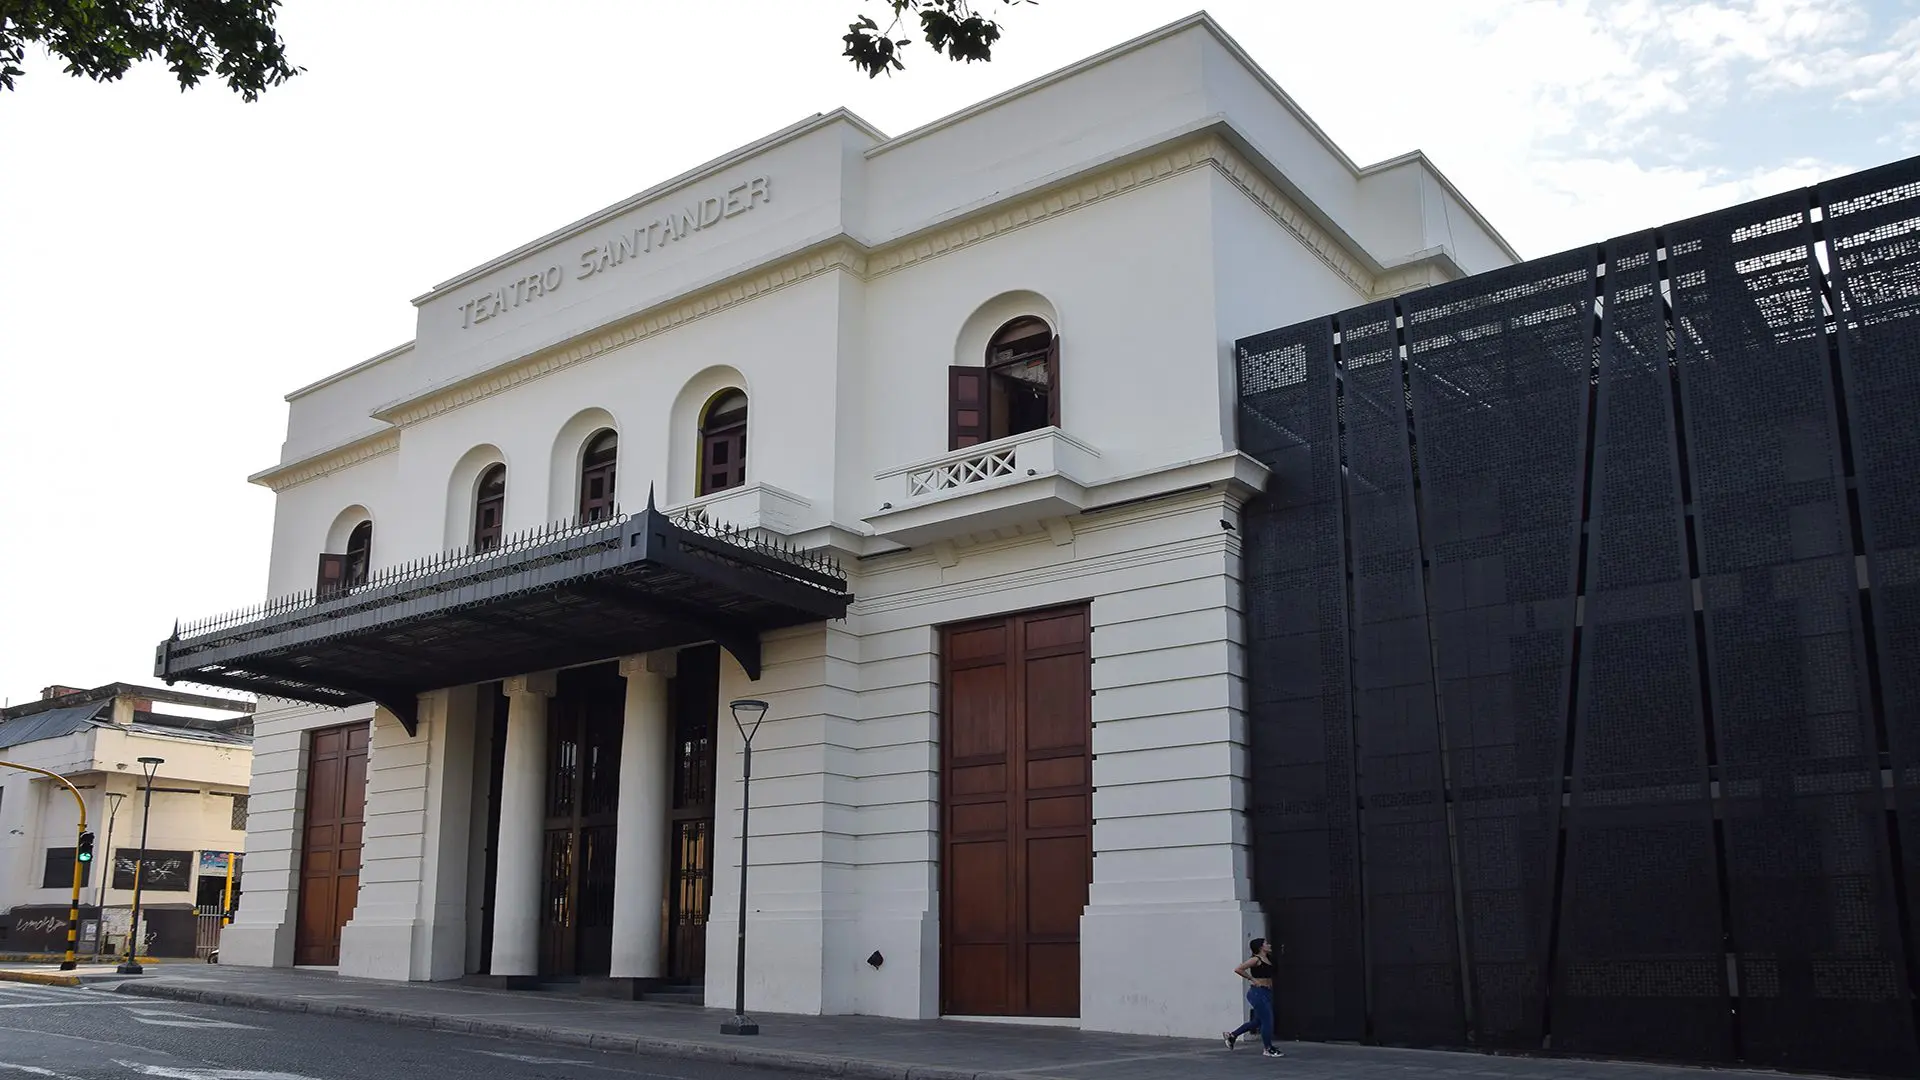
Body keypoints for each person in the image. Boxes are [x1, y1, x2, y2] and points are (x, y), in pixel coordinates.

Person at [1223, 937, 1283, 1057]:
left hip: (1266, 992)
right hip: (1257, 993)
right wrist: (1252, 979)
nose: (1269, 945)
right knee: (1267, 1021)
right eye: (1266, 943)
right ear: (1260, 947)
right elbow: (1238, 969)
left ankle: (1232, 1035)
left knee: (1257, 1021)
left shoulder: (1268, 958)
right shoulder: (1256, 959)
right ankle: (1267, 1048)